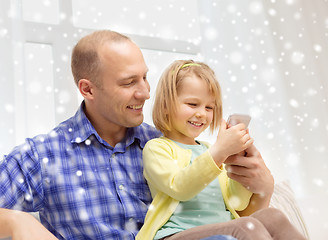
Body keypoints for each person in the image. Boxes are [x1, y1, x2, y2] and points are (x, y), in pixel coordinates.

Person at [0, 30, 161, 239]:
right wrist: (16, 220)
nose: (145, 93)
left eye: (144, 77)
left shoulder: (162, 144)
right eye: (129, 82)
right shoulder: (42, 155)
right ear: (88, 90)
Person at [136, 60, 306, 240]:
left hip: (220, 230)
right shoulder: (157, 148)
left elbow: (237, 201)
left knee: (273, 217)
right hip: (175, 234)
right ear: (165, 105)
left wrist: (236, 166)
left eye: (209, 107)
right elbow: (180, 187)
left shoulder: (209, 151)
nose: (202, 113)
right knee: (244, 227)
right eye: (193, 104)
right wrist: (218, 153)